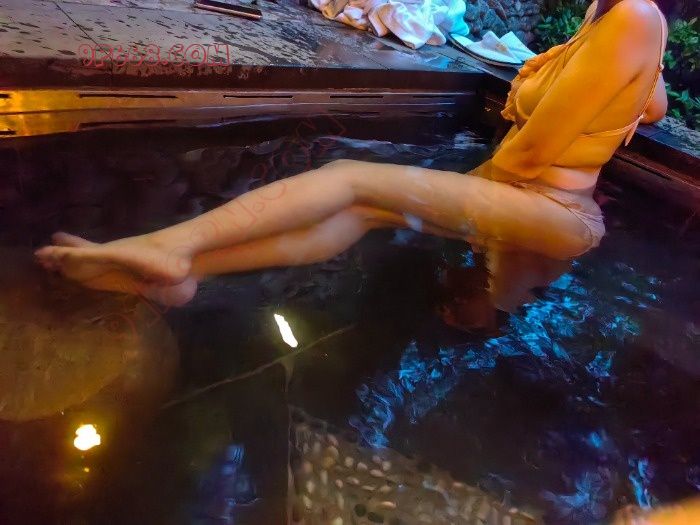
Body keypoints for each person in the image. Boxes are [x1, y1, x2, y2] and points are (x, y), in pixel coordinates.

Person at [35, 0, 668, 306]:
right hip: (530, 201)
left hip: (555, 209)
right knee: (363, 210)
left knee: (352, 178)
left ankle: (169, 246)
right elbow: (654, 104)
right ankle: (185, 272)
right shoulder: (616, 14)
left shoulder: (634, 16)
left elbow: (530, 155)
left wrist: (459, 200)